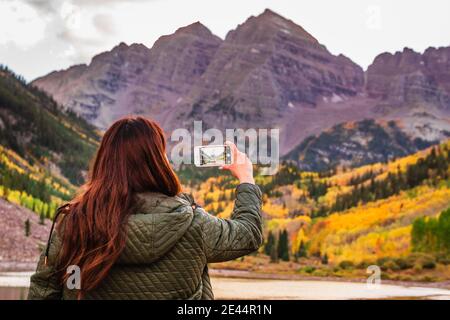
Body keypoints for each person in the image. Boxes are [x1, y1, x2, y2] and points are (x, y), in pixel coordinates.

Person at [28, 116, 263, 300]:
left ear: (105, 162)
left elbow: (44, 290)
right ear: (158, 162)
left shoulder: (75, 223)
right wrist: (246, 179)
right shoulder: (193, 224)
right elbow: (248, 233)